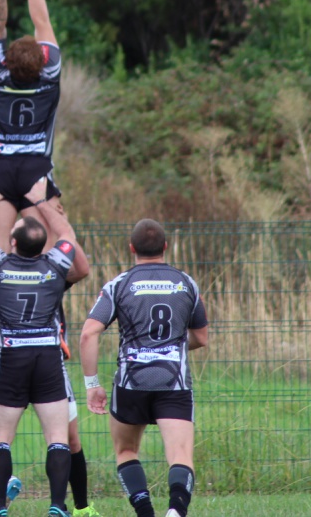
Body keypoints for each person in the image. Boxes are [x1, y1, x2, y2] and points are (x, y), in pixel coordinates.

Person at [0, 179, 90, 517]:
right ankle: (58, 505)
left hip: (11, 357)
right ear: (41, 244)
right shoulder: (54, 265)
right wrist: (41, 201)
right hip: (48, 356)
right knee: (58, 438)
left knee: (0, 439)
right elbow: (68, 236)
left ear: (13, 242)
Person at [80, 220, 209, 517]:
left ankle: (145, 512)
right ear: (165, 247)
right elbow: (201, 337)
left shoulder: (118, 285)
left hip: (131, 382)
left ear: (131, 248)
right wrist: (174, 347)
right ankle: (176, 510)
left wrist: (92, 385)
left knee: (126, 451)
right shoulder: (187, 283)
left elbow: (88, 334)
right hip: (174, 382)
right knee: (180, 455)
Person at [0, 0, 64, 239]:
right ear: (42, 59)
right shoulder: (49, 73)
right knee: (43, 248)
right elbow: (42, 21)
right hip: (36, 168)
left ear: (8, 60)